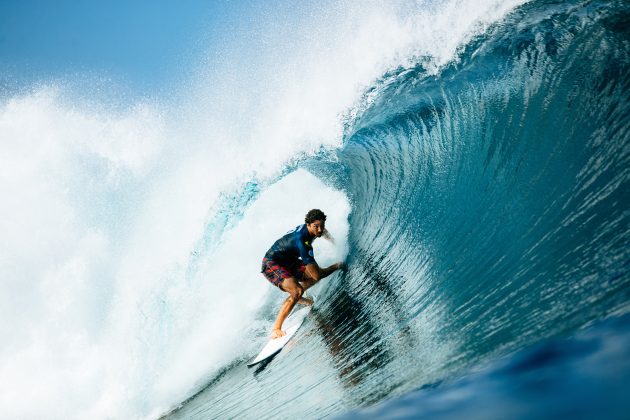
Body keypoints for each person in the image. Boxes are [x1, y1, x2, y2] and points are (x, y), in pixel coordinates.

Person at [261, 209, 343, 339]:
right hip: (271, 263)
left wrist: (336, 243)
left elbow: (323, 232)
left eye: (322, 225)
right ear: (308, 224)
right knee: (299, 289)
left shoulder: (315, 230)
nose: (320, 230)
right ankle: (276, 329)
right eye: (316, 226)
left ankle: (296, 298)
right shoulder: (303, 242)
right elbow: (317, 275)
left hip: (288, 260)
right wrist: (337, 266)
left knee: (307, 280)